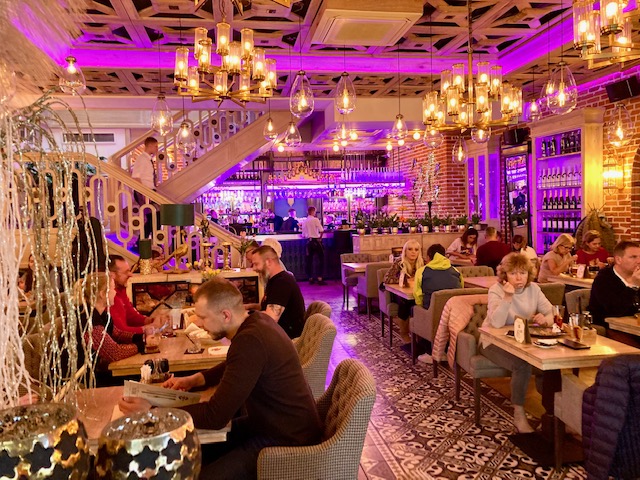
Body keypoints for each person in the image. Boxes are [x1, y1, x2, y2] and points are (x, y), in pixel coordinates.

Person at [119, 278, 322, 479]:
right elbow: (234, 364)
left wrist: (152, 412)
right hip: (270, 424)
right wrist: (196, 379)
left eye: (203, 317)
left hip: (287, 440)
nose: (198, 323)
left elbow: (215, 416)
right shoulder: (257, 322)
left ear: (225, 315)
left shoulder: (250, 340)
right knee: (188, 452)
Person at [483, 252, 554, 433]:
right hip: (493, 341)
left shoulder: (534, 289)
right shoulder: (496, 290)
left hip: (523, 340)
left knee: (550, 364)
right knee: (522, 364)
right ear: (505, 274)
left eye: (522, 273)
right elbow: (496, 323)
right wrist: (507, 297)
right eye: (513, 273)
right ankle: (519, 413)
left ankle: (553, 412)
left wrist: (545, 319)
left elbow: (551, 313)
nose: (518, 277)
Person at [80, 272, 145, 380]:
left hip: (98, 370)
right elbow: (115, 353)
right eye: (113, 289)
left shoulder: (103, 314)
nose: (115, 293)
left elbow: (118, 334)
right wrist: (142, 345)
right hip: (87, 378)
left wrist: (142, 336)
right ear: (102, 294)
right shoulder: (88, 320)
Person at [252, 246, 306, 338]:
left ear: (268, 262)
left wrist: (246, 316)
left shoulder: (282, 282)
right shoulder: (275, 280)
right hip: (280, 334)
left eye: (256, 264)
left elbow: (271, 318)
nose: (254, 268)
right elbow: (268, 306)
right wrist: (247, 307)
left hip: (287, 339)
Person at [588, 240, 640, 332]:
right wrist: (633, 286)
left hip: (634, 326)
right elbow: (615, 311)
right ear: (618, 260)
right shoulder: (604, 279)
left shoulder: (637, 276)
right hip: (609, 329)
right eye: (633, 257)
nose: (639, 261)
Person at [382, 240, 425, 343]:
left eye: (416, 250)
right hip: (398, 294)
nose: (413, 252)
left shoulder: (422, 262)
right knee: (405, 302)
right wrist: (405, 281)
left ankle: (420, 334)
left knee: (424, 302)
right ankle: (404, 333)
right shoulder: (399, 262)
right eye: (410, 249)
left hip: (415, 292)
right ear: (405, 251)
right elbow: (387, 279)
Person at [108, 254, 156, 334]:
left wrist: (150, 321)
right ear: (112, 275)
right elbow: (121, 332)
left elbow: (131, 316)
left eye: (129, 271)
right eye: (126, 272)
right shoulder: (109, 297)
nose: (130, 274)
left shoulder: (121, 289)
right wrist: (150, 328)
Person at [415, 244, 462, 310]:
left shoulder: (421, 271)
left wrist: (420, 306)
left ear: (428, 257)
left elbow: (418, 295)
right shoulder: (456, 271)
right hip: (453, 311)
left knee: (412, 308)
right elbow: (460, 290)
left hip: (431, 311)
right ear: (444, 256)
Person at [131, 137, 159, 242]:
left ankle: (149, 241)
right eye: (155, 146)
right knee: (154, 217)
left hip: (150, 191)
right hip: (145, 192)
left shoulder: (148, 159)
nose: (157, 149)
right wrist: (144, 193)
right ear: (150, 146)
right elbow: (136, 177)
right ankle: (142, 242)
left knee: (155, 218)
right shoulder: (142, 159)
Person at [301, 206, 325, 285]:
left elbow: (303, 234)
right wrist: (320, 238)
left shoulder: (304, 221)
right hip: (316, 241)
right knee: (321, 259)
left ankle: (310, 278)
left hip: (309, 242)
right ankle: (319, 278)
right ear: (313, 212)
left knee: (309, 261)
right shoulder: (315, 220)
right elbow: (322, 230)